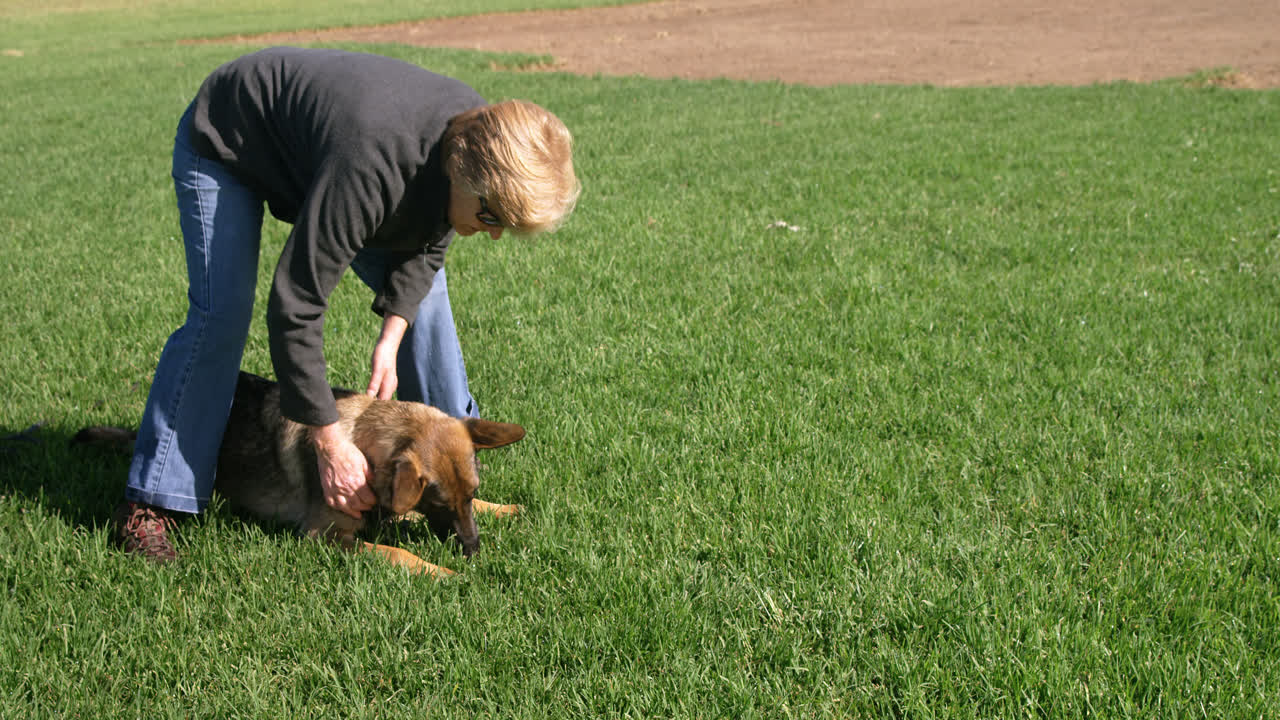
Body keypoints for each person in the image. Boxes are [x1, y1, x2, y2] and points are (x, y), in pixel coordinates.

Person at [112, 46, 580, 563]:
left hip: (332, 156)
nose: (492, 237)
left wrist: (394, 331)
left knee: (428, 302)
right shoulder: (372, 161)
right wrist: (331, 444)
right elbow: (296, 303)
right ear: (463, 172)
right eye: (492, 219)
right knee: (220, 316)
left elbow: (430, 243)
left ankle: (447, 468)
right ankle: (152, 502)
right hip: (230, 140)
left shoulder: (471, 133)